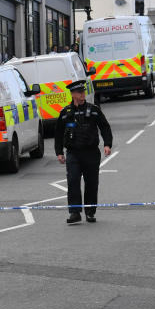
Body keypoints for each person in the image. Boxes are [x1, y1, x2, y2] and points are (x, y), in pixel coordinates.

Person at [55, 80, 113, 225]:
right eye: (80, 92)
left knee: (91, 183)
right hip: (73, 153)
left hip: (91, 153)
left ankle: (90, 212)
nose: (83, 94)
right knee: (73, 181)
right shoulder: (65, 113)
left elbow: (105, 127)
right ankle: (75, 213)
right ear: (73, 94)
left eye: (83, 91)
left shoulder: (93, 110)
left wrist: (107, 144)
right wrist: (59, 152)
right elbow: (58, 133)